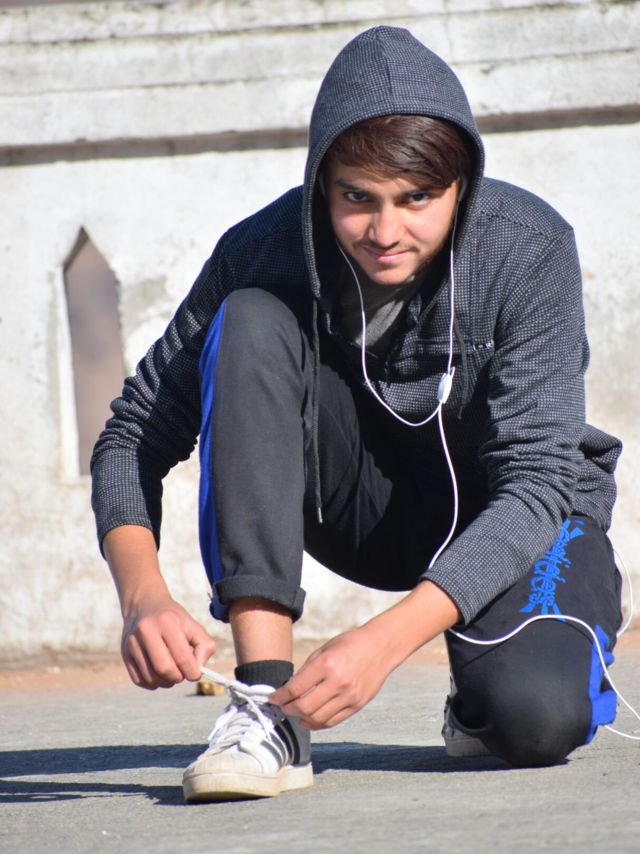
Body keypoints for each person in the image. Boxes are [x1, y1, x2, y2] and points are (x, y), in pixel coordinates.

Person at [91, 26, 623, 802]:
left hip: (510, 513)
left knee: (535, 721)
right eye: (356, 198)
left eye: (417, 199)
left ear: (462, 184)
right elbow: (132, 433)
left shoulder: (528, 248)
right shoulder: (261, 249)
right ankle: (267, 711)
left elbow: (538, 484)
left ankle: (484, 685)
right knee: (249, 320)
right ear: (322, 183)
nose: (385, 232)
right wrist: (141, 596)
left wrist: (384, 643)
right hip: (356, 507)